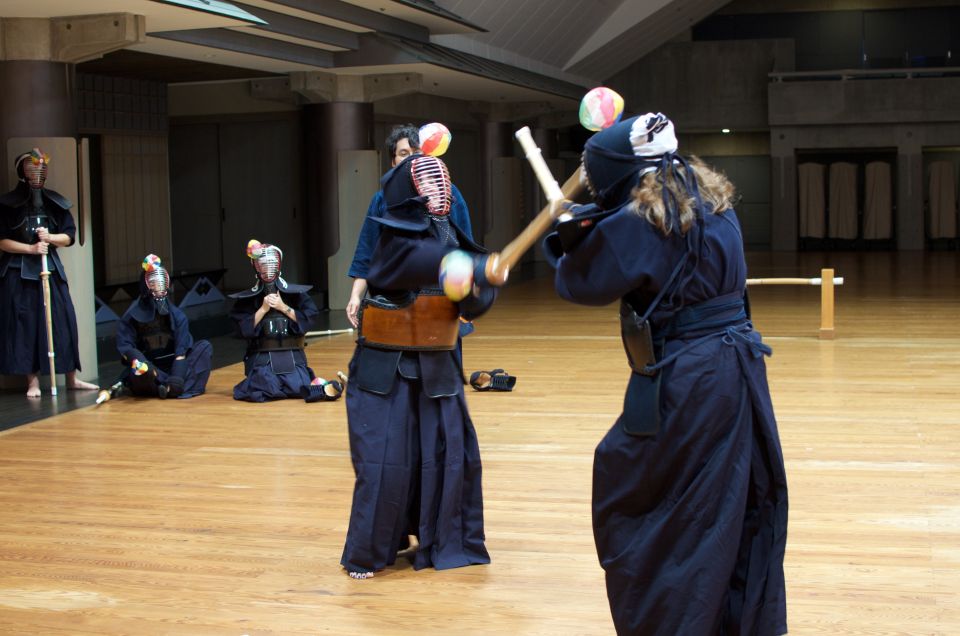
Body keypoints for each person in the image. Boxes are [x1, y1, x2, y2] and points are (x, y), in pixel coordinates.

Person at [544, 113, 788, 635]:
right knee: (720, 501)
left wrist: (563, 233)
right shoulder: (710, 203)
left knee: (647, 501)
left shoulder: (638, 223)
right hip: (733, 372)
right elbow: (630, 234)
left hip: (690, 377)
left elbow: (580, 283)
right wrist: (583, 217)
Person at [340, 152, 495, 579]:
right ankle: (370, 550)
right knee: (384, 464)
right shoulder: (392, 235)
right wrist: (459, 266)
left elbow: (471, 303)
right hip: (384, 367)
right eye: (425, 180)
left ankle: (442, 540)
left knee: (447, 457)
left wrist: (480, 284)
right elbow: (401, 266)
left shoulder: (454, 235)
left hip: (438, 364)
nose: (436, 187)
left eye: (440, 178)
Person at [345, 123, 474, 328]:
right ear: (393, 162)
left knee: (440, 356)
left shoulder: (449, 193)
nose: (412, 158)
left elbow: (465, 247)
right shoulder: (381, 200)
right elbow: (366, 252)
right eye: (404, 153)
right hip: (392, 297)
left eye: (417, 152)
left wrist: (466, 295)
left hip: (439, 295)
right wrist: (355, 296)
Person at [0, 148, 99, 397]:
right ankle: (31, 382)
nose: (37, 172)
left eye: (41, 167)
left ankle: (71, 378)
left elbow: (69, 236)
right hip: (18, 271)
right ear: (21, 170)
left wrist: (51, 238)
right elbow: (2, 241)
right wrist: (31, 248)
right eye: (32, 167)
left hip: (51, 268)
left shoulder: (56, 202)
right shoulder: (7, 204)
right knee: (26, 324)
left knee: (62, 320)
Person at [229, 240, 340, 402]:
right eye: (263, 264)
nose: (268, 268)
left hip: (292, 356)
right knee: (264, 389)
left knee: (298, 387)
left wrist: (283, 307)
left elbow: (309, 317)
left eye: (271, 263)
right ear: (256, 266)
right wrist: (263, 310)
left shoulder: (295, 293)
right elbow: (241, 328)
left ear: (278, 265)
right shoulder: (247, 299)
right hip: (263, 358)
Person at [110, 254, 212, 399]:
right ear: (145, 286)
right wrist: (144, 365)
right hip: (150, 369)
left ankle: (170, 388)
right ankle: (165, 387)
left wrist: (177, 379)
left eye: (161, 282)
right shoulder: (131, 317)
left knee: (204, 347)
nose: (158, 287)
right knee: (140, 371)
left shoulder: (177, 316)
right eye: (153, 282)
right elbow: (127, 348)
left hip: (173, 366)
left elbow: (180, 354)